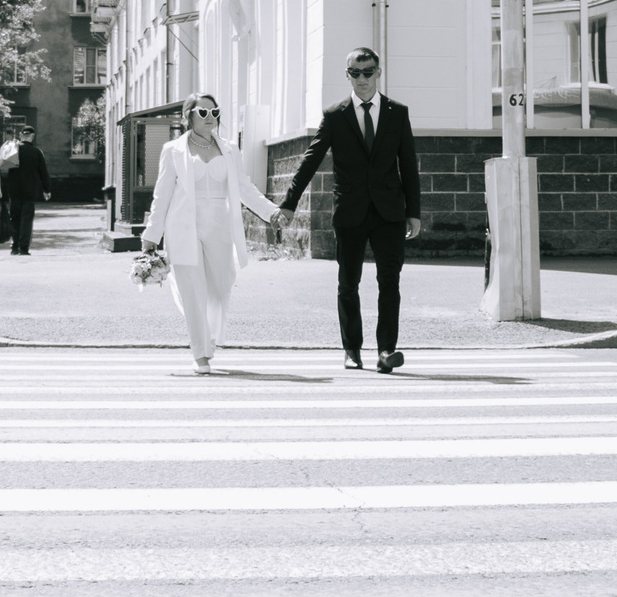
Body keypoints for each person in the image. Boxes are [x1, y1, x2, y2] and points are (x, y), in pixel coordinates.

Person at [278, 48, 422, 373]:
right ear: (347, 76)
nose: (362, 79)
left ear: (378, 72)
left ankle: (386, 351)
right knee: (348, 283)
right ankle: (352, 349)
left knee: (390, 282)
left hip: (389, 213)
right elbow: (310, 160)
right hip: (350, 213)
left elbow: (408, 165)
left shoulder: (396, 112)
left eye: (368, 72)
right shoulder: (335, 115)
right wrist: (289, 203)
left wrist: (414, 211)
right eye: (355, 73)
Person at [141, 93, 279, 372]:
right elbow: (162, 194)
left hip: (219, 224)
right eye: (202, 112)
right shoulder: (173, 150)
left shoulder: (229, 149)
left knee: (220, 287)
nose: (210, 118)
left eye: (214, 112)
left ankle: (209, 338)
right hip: (183, 225)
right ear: (188, 115)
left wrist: (270, 212)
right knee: (193, 290)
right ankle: (201, 353)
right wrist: (151, 235)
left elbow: (244, 187)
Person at [2, 125, 50, 256]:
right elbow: (43, 173)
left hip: (14, 190)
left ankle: (14, 247)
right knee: (26, 219)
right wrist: (47, 189)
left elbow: (0, 160)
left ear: (21, 135)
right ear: (32, 136)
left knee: (14, 218)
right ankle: (23, 248)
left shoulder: (13, 149)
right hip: (30, 191)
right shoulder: (37, 152)